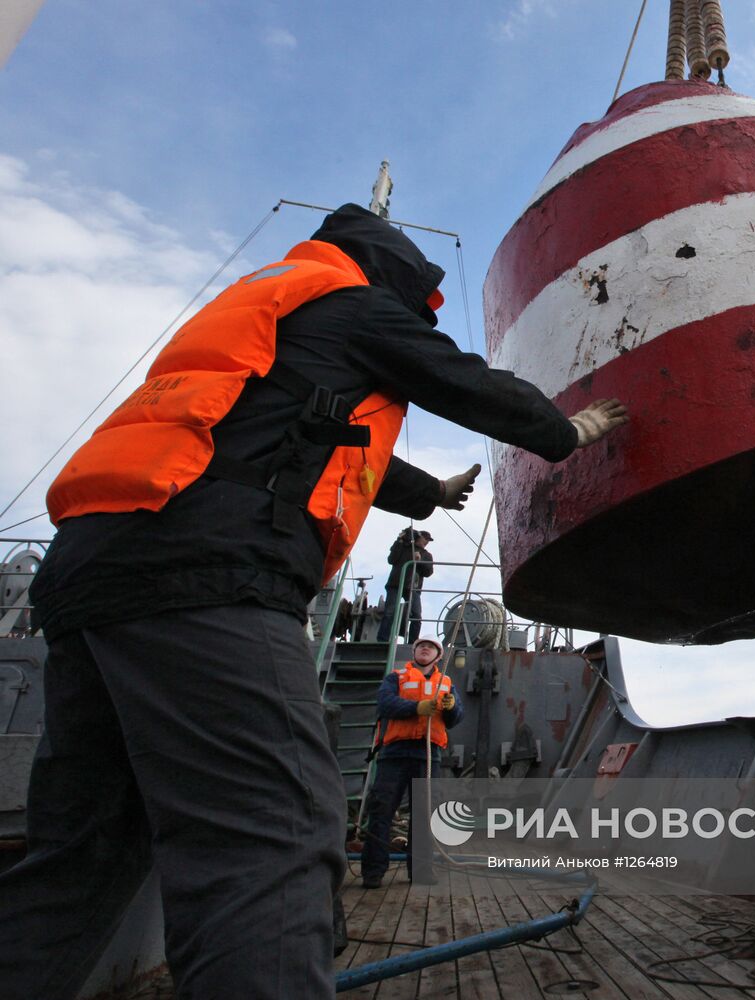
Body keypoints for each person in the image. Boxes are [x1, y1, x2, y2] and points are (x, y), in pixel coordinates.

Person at [0, 202, 627, 1000]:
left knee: (84, 854)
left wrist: (432, 492)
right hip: (204, 575)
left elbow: (315, 434)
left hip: (88, 575)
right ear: (389, 275)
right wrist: (564, 432)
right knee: (277, 837)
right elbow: (463, 380)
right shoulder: (354, 303)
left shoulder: (275, 310)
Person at [360, 636, 460, 887]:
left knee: (425, 815)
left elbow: (454, 719)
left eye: (431, 647)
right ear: (414, 652)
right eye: (421, 646)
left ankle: (421, 871)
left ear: (438, 656)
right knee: (381, 810)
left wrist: (452, 707)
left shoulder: (446, 684)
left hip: (427, 755)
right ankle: (373, 872)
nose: (425, 648)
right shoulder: (395, 678)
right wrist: (417, 708)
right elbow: (385, 704)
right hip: (395, 753)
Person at [377, 526, 434, 643]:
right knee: (389, 612)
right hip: (395, 584)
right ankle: (383, 640)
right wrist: (399, 540)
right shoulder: (402, 547)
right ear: (419, 537)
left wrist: (419, 561)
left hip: (413, 588)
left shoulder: (426, 555)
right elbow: (391, 559)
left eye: (429, 540)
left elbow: (428, 572)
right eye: (425, 538)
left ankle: (413, 642)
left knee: (416, 616)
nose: (427, 541)